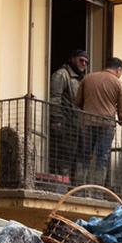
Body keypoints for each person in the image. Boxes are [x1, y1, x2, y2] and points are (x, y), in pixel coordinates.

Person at [75, 57, 122, 184]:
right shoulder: (119, 84)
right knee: (102, 157)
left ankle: (79, 188)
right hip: (106, 125)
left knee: (84, 155)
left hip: (87, 122)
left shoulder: (88, 78)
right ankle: (97, 191)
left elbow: (77, 102)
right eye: (121, 72)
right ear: (118, 69)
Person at [48, 49, 88, 178]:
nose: (84, 64)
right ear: (72, 59)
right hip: (65, 123)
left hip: (78, 125)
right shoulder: (61, 75)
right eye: (81, 60)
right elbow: (55, 98)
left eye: (86, 62)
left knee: (79, 158)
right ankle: (61, 188)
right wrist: (56, 120)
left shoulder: (83, 80)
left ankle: (75, 190)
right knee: (65, 156)